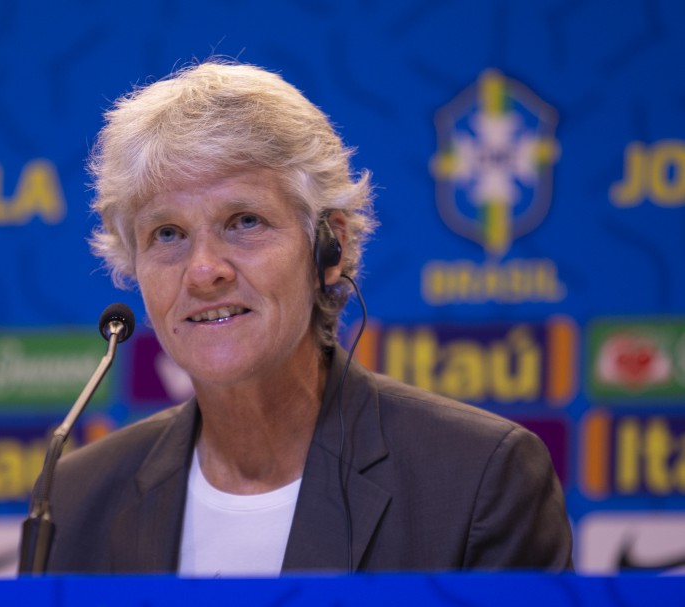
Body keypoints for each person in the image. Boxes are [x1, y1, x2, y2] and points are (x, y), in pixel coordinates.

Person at [45, 60, 573, 575]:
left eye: (244, 221)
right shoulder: (73, 499)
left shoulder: (477, 480)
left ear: (329, 248)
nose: (203, 271)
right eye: (168, 234)